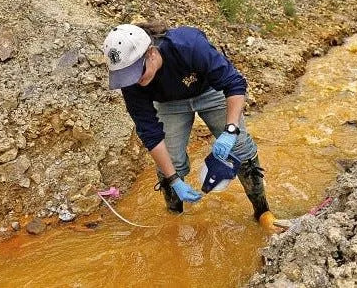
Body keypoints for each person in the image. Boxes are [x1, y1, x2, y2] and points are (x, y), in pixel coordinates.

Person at [102, 22, 276, 226]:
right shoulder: (131, 83)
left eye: (137, 73)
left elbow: (234, 83)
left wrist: (230, 130)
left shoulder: (188, 45)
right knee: (170, 163)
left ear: (151, 53)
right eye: (127, 77)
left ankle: (263, 212)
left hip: (210, 90)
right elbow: (149, 132)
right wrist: (174, 179)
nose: (135, 81)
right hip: (168, 103)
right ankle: (174, 219)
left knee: (240, 147)